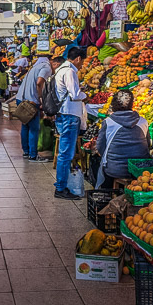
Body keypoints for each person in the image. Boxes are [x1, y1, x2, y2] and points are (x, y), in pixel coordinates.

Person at [95, 90, 149, 188]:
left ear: (114, 104)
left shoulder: (108, 122)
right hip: (140, 169)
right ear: (132, 104)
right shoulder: (143, 122)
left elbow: (100, 147)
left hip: (115, 169)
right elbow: (149, 146)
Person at [53, 46, 87, 200]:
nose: (82, 65)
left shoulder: (60, 69)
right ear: (78, 59)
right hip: (69, 115)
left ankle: (62, 185)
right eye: (82, 61)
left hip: (63, 113)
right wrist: (85, 94)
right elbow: (74, 94)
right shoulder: (70, 71)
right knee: (66, 154)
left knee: (65, 153)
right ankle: (61, 188)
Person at [15, 55, 51, 162]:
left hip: (20, 99)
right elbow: (39, 82)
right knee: (34, 128)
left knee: (25, 125)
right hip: (30, 102)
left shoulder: (34, 67)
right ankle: (33, 155)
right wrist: (41, 98)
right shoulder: (46, 67)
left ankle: (26, 152)